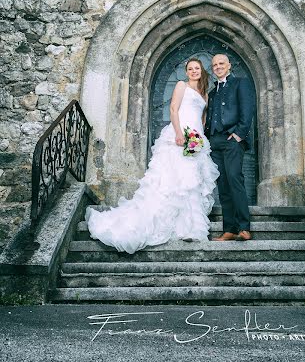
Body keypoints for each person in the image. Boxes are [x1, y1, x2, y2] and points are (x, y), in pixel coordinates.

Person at [85, 58, 219, 254]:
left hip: (196, 140)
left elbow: (202, 118)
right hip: (180, 136)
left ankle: (190, 227)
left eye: (196, 68)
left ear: (202, 70)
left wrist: (199, 139)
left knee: (192, 182)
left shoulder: (205, 94)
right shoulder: (181, 85)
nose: (193, 71)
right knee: (175, 181)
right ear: (186, 71)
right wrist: (180, 134)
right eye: (190, 69)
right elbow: (173, 109)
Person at [205, 54, 256, 241]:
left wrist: (239, 134)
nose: (218, 67)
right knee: (223, 185)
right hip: (215, 142)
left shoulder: (240, 83)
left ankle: (244, 227)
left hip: (232, 139)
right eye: (215, 65)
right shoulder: (212, 92)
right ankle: (230, 229)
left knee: (235, 179)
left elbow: (248, 110)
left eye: (221, 64)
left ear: (229, 65)